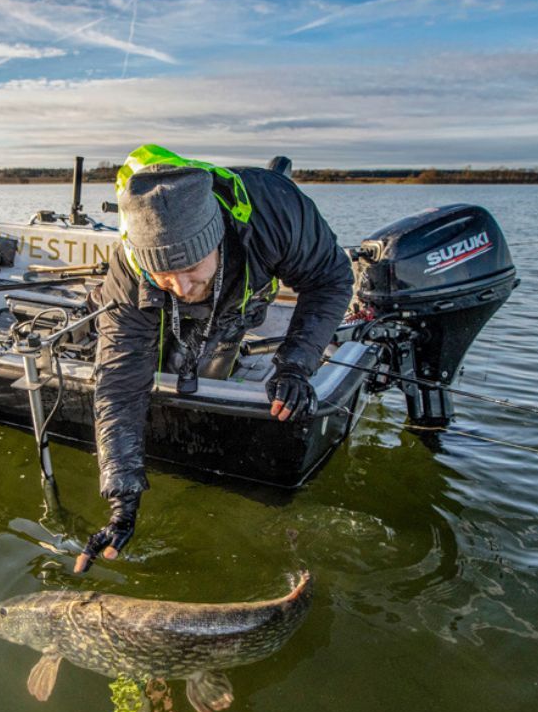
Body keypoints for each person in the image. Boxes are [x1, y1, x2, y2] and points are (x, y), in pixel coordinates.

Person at [74, 144, 354, 573]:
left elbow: (331, 279)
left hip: (240, 299)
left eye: (191, 271)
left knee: (218, 352)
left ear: (217, 238)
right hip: (154, 313)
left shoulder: (276, 212)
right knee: (154, 368)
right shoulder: (130, 274)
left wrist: (296, 363)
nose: (183, 288)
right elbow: (118, 382)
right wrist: (122, 498)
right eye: (164, 276)